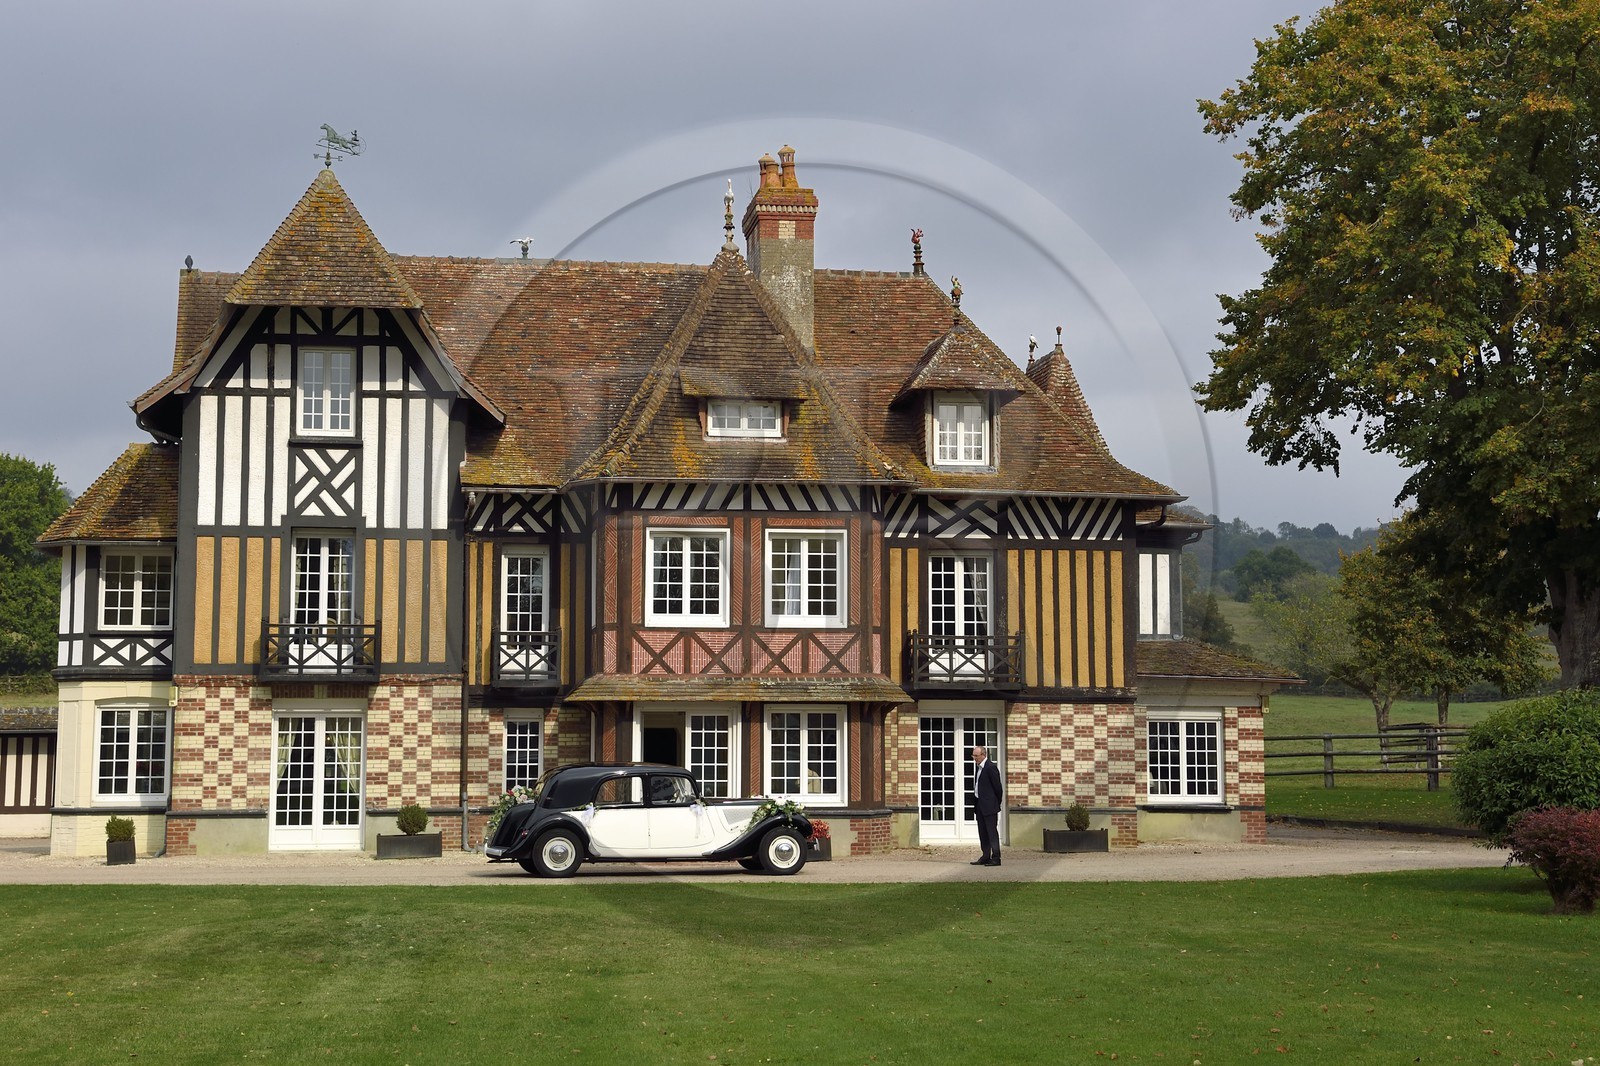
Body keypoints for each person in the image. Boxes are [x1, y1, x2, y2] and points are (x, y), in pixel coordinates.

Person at [969, 744, 1003, 866]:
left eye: (976, 756)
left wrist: (995, 803)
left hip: (990, 806)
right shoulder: (978, 768)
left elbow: (998, 789)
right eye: (973, 755)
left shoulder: (990, 767)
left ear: (983, 755)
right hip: (979, 805)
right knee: (982, 832)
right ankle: (985, 856)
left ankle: (996, 857)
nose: (974, 758)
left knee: (991, 832)